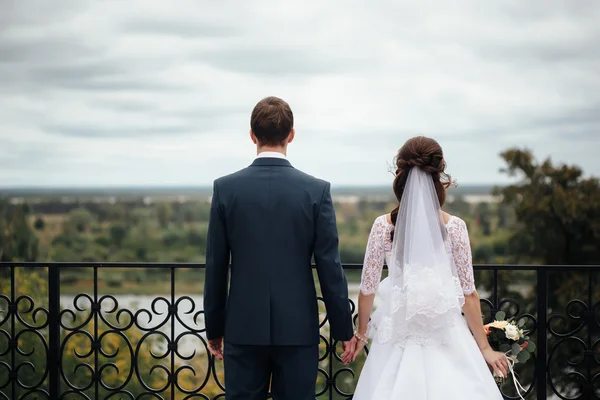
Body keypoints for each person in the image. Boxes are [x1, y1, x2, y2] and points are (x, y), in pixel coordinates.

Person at [204, 96, 355, 400]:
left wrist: (214, 329)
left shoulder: (225, 188)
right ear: (291, 135)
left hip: (243, 328)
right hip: (298, 330)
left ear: (252, 136)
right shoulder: (316, 191)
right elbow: (330, 267)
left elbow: (216, 267)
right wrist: (344, 330)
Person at [347, 136, 506, 399]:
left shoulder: (382, 227)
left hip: (396, 337)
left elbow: (367, 290)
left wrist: (361, 335)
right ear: (438, 174)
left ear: (400, 174)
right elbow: (469, 295)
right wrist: (485, 348)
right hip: (447, 335)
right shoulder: (455, 227)